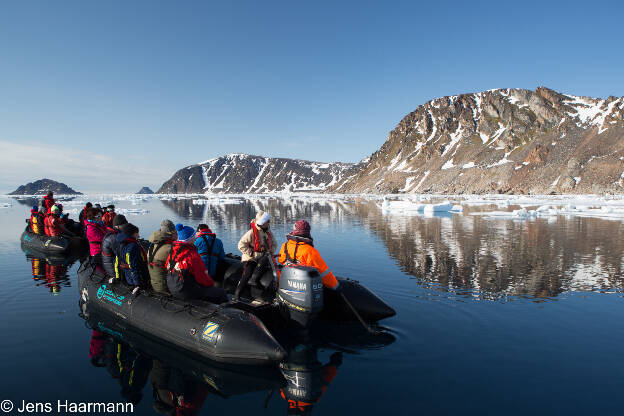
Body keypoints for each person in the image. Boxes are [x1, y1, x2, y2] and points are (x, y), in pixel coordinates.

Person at [165, 224, 227, 303]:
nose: (195, 239)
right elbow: (202, 277)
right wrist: (211, 285)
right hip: (186, 291)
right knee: (221, 293)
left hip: (172, 288)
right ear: (189, 239)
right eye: (193, 237)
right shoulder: (192, 256)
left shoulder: (172, 252)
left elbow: (166, 267)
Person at [277, 220, 340, 290]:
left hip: (286, 283)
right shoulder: (310, 251)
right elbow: (324, 274)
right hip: (305, 287)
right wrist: (336, 286)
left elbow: (281, 260)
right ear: (308, 232)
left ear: (294, 230)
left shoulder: (284, 246)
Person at [235, 211, 275, 301]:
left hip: (263, 258)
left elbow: (274, 244)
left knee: (268, 266)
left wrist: (270, 251)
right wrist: (252, 253)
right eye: (267, 221)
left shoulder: (268, 233)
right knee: (248, 273)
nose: (269, 223)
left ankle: (255, 283)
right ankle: (237, 294)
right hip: (250, 257)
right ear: (262, 222)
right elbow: (241, 245)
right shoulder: (251, 233)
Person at [115, 223, 150, 289]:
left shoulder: (120, 244)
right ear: (132, 234)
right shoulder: (132, 247)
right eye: (137, 233)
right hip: (138, 278)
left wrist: (117, 277)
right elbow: (133, 267)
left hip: (128, 277)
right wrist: (137, 284)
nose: (139, 236)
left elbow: (116, 262)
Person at [147, 220, 177, 294]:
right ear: (170, 234)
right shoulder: (170, 248)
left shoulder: (152, 245)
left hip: (154, 285)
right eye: (175, 233)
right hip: (165, 289)